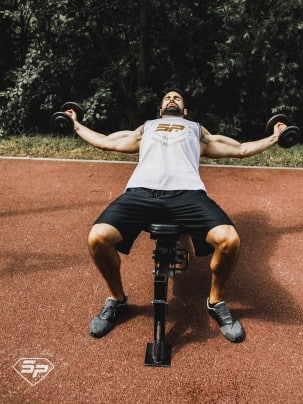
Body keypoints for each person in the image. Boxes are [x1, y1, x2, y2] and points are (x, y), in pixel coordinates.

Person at [66, 90, 286, 343]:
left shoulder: (196, 130)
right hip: (141, 193)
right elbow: (106, 142)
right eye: (167, 98)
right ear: (160, 110)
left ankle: (215, 301)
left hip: (188, 194)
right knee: (97, 238)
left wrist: (276, 136)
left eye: (177, 98)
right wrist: (75, 124)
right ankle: (116, 298)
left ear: (185, 111)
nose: (172, 99)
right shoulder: (147, 128)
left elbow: (241, 149)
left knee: (230, 240)